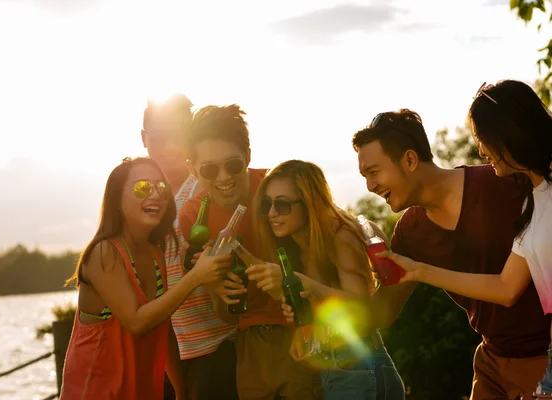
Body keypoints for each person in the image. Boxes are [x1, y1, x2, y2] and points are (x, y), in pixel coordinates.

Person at [351, 107, 551, 400]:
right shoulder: (410, 232)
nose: (370, 186)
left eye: (374, 172)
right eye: (364, 176)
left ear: (409, 159)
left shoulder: (504, 185)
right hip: (490, 363)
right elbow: (382, 312)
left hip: (542, 361)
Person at [60, 157, 232, 400]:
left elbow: (162, 324)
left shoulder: (154, 252)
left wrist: (180, 389)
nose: (155, 195)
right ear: (117, 199)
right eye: (142, 187)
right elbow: (137, 322)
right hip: (97, 391)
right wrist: (195, 278)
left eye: (161, 187)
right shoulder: (104, 252)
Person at [179, 105, 320, 399]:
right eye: (208, 169)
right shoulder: (194, 216)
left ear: (248, 156)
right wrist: (214, 283)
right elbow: (226, 315)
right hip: (247, 343)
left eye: (232, 164)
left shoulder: (278, 192)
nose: (222, 178)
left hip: (304, 330)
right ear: (193, 170)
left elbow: (323, 258)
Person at [254, 159, 405, 400]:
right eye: (267, 203)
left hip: (358, 370)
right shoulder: (303, 245)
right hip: (341, 369)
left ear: (309, 203)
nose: (271, 213)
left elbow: (362, 309)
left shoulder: (340, 236)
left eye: (282, 204)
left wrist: (304, 283)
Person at [142, 94, 239, 400]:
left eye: (177, 137)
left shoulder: (207, 190)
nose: (168, 148)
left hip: (221, 347)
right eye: (158, 138)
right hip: (173, 356)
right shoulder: (147, 203)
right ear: (144, 139)